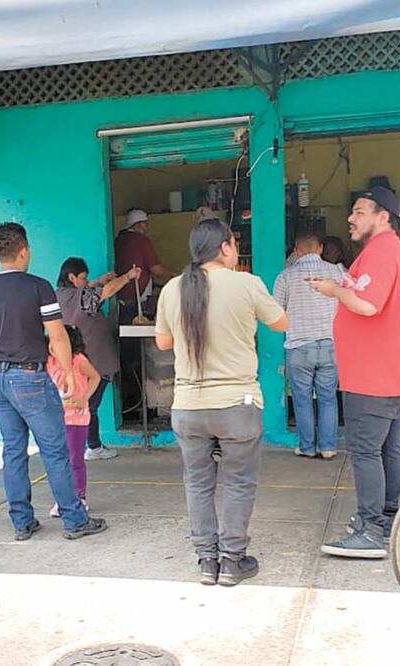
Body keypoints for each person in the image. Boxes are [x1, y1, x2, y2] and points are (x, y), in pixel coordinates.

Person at [155, 219, 288, 586]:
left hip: (188, 406)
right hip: (237, 405)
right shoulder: (246, 283)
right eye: (234, 244)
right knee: (239, 483)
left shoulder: (173, 288)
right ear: (226, 247)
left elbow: (163, 342)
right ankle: (232, 560)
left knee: (197, 483)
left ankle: (206, 560)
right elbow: (281, 323)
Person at [0, 222, 107, 541]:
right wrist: (69, 374)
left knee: (13, 451)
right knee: (55, 450)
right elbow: (58, 336)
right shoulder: (38, 287)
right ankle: (74, 520)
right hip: (30, 377)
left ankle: (22, 522)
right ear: (24, 251)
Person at [308, 187, 400, 558]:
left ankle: (370, 530)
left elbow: (367, 305)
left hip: (374, 375)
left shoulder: (381, 252)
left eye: (359, 212)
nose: (351, 218)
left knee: (365, 451)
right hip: (391, 372)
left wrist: (333, 290)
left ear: (382, 216)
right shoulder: (390, 252)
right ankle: (386, 519)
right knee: (389, 448)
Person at [56, 257, 142, 460]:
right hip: (94, 362)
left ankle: (79, 445)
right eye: (83, 278)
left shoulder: (59, 295)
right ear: (71, 277)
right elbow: (105, 292)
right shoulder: (83, 298)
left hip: (74, 362)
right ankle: (93, 446)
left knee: (81, 405)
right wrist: (128, 277)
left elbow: (85, 291)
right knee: (90, 405)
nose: (87, 281)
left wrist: (99, 280)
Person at [273, 233, 344, 459]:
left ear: (296, 251)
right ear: (320, 248)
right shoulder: (337, 272)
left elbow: (276, 312)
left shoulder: (285, 276)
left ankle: (306, 447)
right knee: (328, 398)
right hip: (330, 344)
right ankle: (328, 447)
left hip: (298, 345)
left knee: (302, 400)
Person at [46, 325, 100, 516]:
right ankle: (63, 498)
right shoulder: (48, 361)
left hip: (76, 418)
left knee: (75, 459)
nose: (53, 346)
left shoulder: (78, 360)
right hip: (56, 418)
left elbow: (95, 377)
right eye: (51, 342)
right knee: (59, 460)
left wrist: (84, 397)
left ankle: (79, 496)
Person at [114, 208, 173, 320]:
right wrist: (173, 275)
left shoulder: (118, 240)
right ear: (138, 224)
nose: (146, 227)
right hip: (138, 295)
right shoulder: (141, 240)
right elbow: (156, 269)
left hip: (119, 292)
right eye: (144, 224)